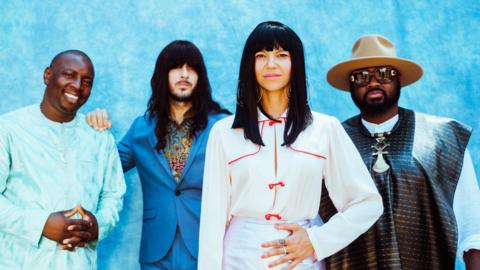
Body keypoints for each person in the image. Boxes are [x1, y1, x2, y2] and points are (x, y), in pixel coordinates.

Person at [197, 21, 383, 270]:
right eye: (261, 56)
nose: (271, 64)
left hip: (301, 261)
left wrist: (317, 240)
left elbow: (368, 204)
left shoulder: (325, 128)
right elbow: (212, 219)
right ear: (249, 66)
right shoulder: (224, 132)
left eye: (281, 55)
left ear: (295, 64)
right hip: (239, 258)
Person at [320, 34, 480, 269]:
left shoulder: (443, 140)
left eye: (384, 73)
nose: (373, 82)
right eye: (362, 76)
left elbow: (472, 226)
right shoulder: (329, 142)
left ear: (399, 80)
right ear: (351, 86)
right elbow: (314, 224)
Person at [86, 40, 229, 270]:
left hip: (207, 246)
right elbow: (103, 167)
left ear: (201, 77)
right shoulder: (141, 129)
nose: (184, 74)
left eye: (192, 68)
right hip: (155, 251)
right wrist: (90, 128)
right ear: (162, 75)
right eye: (176, 67)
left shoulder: (222, 126)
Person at [0, 50, 126, 269]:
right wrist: (42, 225)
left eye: (86, 81)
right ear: (47, 75)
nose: (77, 85)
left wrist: (96, 226)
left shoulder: (99, 137)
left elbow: (113, 195)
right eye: (69, 74)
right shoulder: (9, 130)